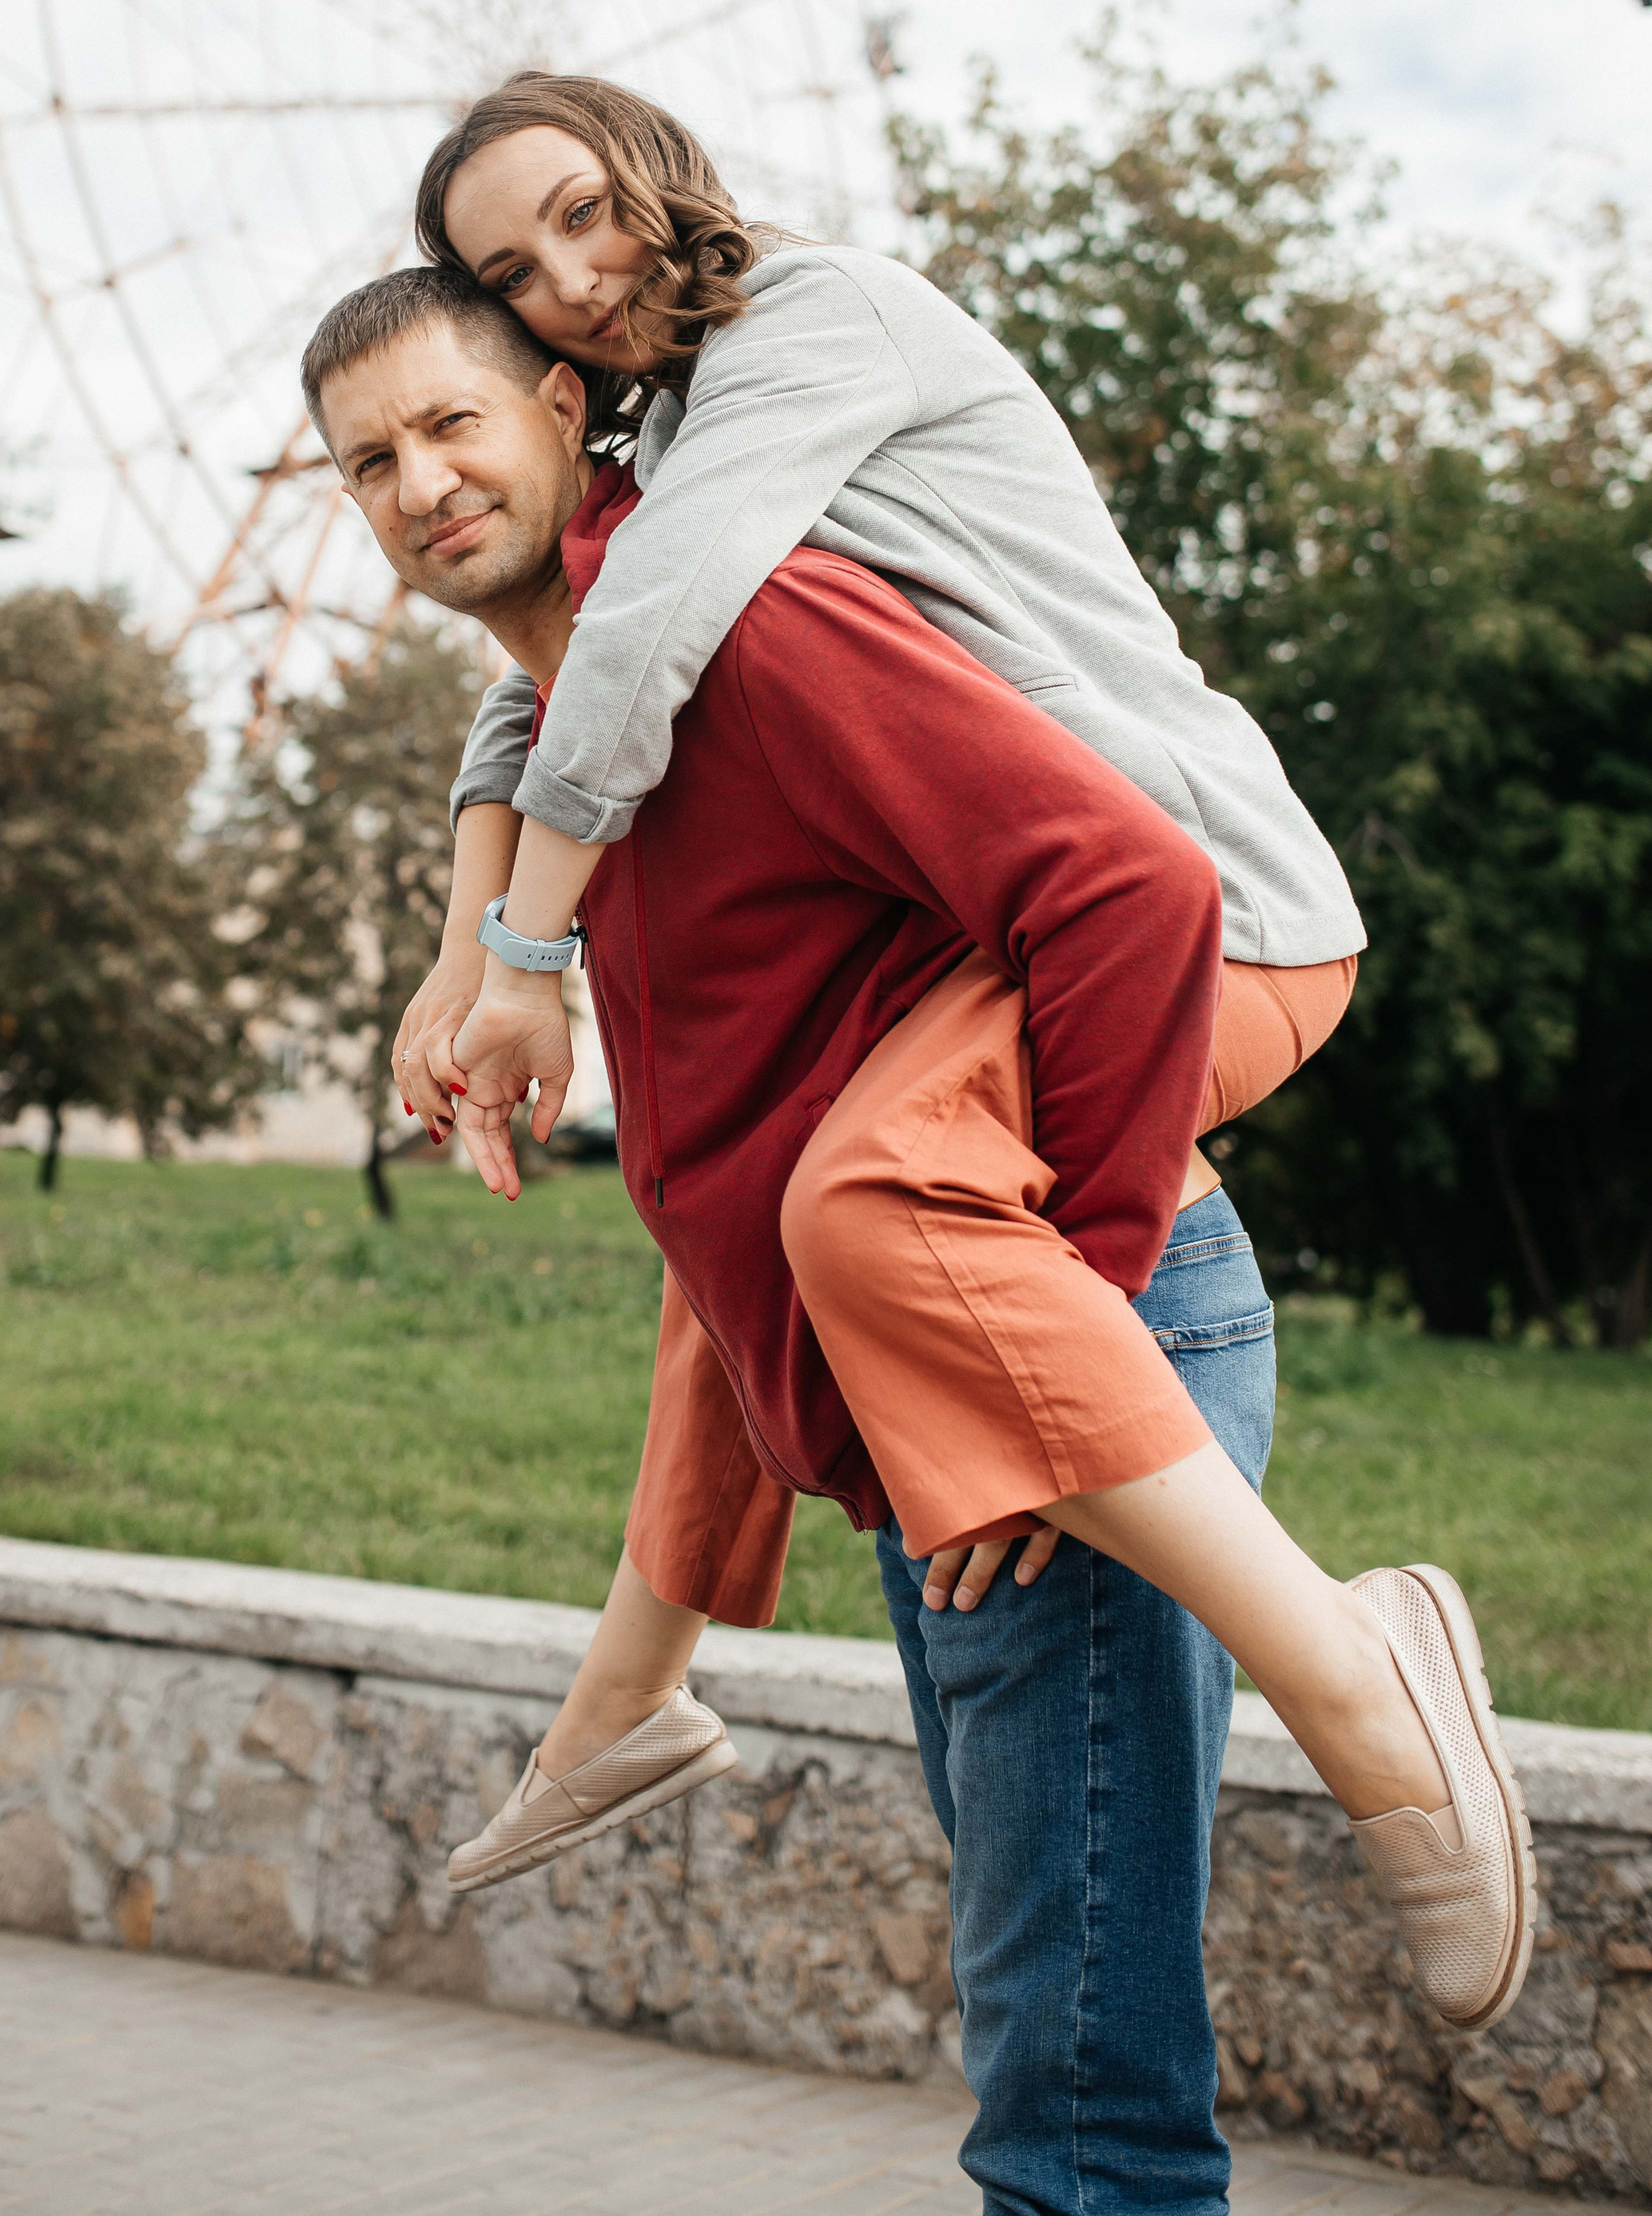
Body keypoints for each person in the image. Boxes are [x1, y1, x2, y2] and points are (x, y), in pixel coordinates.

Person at [301, 266, 1536, 2216]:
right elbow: (738, 1208)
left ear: (567, 404)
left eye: (455, 423)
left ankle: (1370, 1675)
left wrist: (1071, 1312)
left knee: (1071, 2095)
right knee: (1041, 2029)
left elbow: (1130, 891)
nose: (418, 482)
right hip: (934, 1351)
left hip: (1058, 1314)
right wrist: (633, 1670)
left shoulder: (746, 626)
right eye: (366, 461)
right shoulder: (580, 733)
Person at [392, 70, 1363, 1220]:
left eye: (581, 212)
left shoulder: (810, 316)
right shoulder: (675, 429)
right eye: (513, 277)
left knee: (884, 1206)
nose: (570, 280)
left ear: (653, 165)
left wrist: (525, 960)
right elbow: (548, 682)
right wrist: (469, 947)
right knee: (784, 1233)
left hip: (1198, 903)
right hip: (1020, 930)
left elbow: (637, 633)